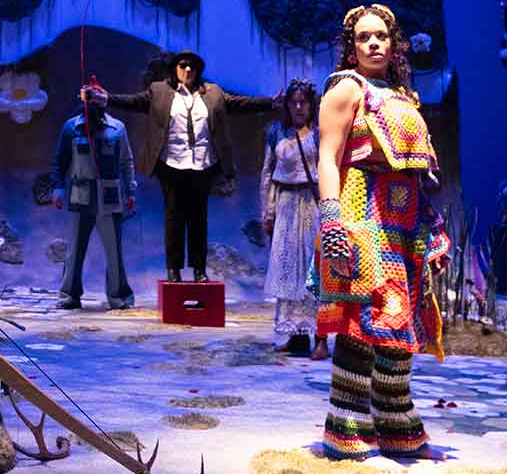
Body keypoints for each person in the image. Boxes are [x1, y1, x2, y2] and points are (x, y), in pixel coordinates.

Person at [314, 5, 450, 460]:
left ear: (394, 44)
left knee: (401, 317)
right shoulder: (346, 89)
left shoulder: (400, 94)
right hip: (362, 211)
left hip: (404, 220)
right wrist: (332, 220)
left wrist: (432, 231)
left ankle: (396, 426)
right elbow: (329, 158)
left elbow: (416, 172)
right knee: (365, 317)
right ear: (351, 48)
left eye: (381, 37)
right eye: (363, 38)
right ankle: (345, 424)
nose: (373, 44)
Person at [85, 50, 275, 282]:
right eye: (183, 66)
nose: (187, 70)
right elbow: (134, 101)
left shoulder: (212, 92)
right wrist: (108, 99)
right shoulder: (160, 91)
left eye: (192, 67)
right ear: (175, 68)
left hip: (202, 164)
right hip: (172, 163)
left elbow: (239, 104)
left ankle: (198, 270)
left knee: (198, 219)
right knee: (174, 218)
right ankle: (173, 270)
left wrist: (271, 102)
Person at [51, 91, 138, 310]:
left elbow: (127, 161)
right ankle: (69, 295)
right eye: (88, 99)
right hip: (81, 193)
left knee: (113, 250)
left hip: (109, 195)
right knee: (75, 249)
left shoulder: (117, 128)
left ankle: (119, 296)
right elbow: (60, 160)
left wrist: (130, 190)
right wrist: (58, 188)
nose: (92, 103)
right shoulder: (72, 127)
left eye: (96, 99)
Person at [263, 79, 325, 357]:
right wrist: (268, 211)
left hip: (312, 205)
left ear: (312, 105)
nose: (299, 107)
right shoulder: (277, 132)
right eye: (294, 102)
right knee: (288, 270)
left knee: (314, 270)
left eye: (304, 102)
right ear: (288, 105)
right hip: (286, 205)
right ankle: (296, 335)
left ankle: (320, 337)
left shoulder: (320, 134)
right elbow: (268, 174)